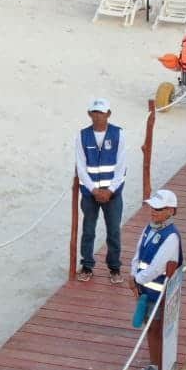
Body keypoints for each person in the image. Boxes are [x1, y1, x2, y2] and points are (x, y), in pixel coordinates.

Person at [129, 189, 182, 370]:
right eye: (152, 207)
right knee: (150, 329)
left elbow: (157, 267)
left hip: (161, 294)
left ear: (171, 211)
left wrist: (137, 279)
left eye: (158, 209)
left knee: (158, 330)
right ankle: (154, 365)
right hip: (145, 290)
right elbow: (137, 254)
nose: (153, 211)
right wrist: (132, 275)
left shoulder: (171, 236)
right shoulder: (148, 228)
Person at [75, 98, 128, 284]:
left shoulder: (118, 134)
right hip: (91, 194)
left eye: (101, 113)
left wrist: (110, 190)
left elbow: (121, 166)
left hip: (113, 194)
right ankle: (87, 265)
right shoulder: (82, 136)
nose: (98, 116)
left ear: (108, 114)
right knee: (88, 229)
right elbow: (80, 167)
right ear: (90, 114)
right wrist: (94, 190)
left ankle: (114, 268)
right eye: (95, 113)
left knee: (113, 230)